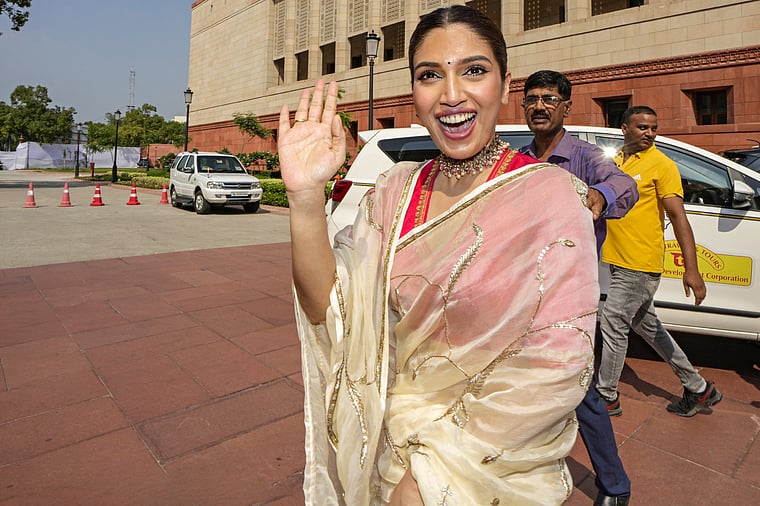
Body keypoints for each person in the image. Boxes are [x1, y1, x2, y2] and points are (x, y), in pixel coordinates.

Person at [279, 6, 602, 504]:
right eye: (431, 75)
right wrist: (304, 199)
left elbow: (557, 362)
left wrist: (430, 477)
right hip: (387, 460)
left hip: (487, 476)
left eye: (474, 70)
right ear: (414, 91)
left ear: (504, 82)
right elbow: (332, 310)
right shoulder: (395, 191)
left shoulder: (551, 197)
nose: (452, 95)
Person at [520, 69, 636, 506]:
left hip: (570, 296)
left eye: (549, 99)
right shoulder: (520, 161)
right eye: (532, 99)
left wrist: (600, 196)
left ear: (567, 105)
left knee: (582, 388)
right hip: (523, 292)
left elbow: (625, 185)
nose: (539, 106)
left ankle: (615, 486)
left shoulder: (587, 157)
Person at [597, 105, 723, 417]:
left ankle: (606, 397)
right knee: (647, 326)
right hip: (617, 259)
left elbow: (679, 217)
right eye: (642, 127)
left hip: (640, 262)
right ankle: (699, 388)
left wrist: (691, 269)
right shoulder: (614, 162)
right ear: (624, 128)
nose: (650, 133)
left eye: (654, 127)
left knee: (613, 322)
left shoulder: (662, 165)